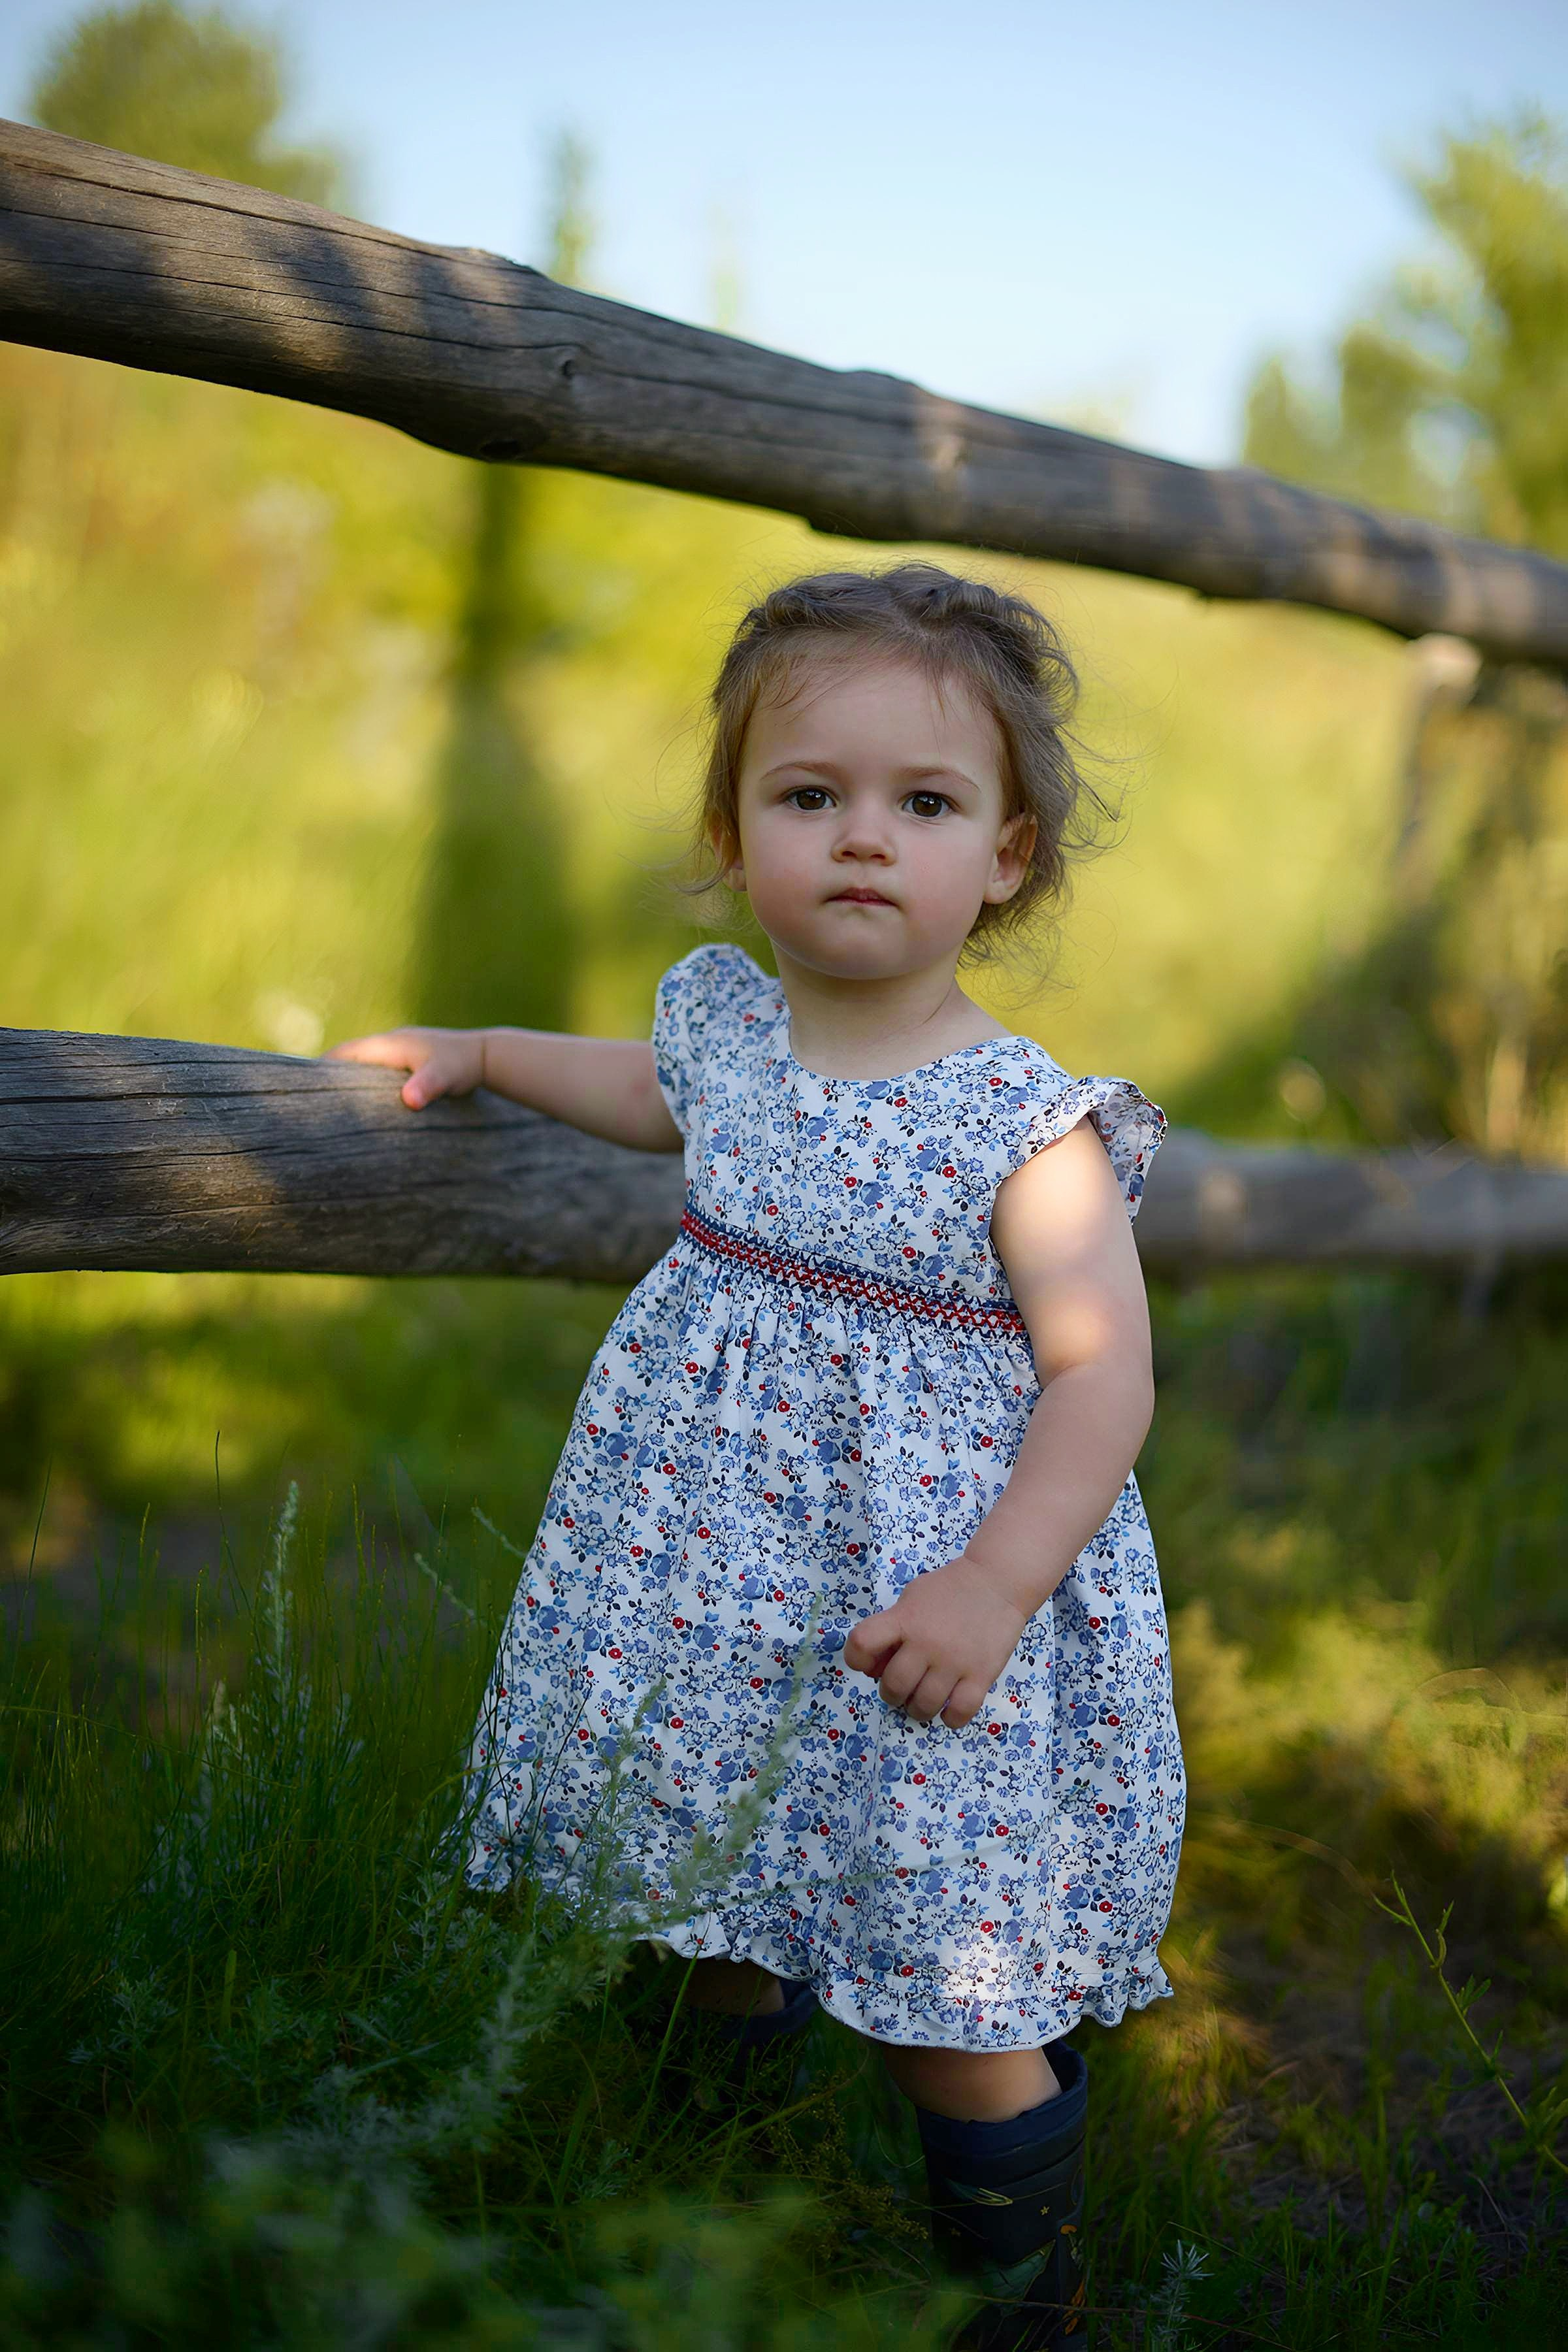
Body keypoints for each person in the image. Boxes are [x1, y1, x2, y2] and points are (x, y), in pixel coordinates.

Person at [329, 564, 1184, 2351]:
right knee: (708, 1862)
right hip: (708, 1567)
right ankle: (710, 2180)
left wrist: (993, 1584)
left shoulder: (1028, 1130)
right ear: (734, 836)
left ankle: (1022, 2291)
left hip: (925, 1595)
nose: (863, 837)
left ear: (1007, 856)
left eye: (925, 804)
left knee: (945, 1951)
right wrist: (479, 1050)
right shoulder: (729, 1028)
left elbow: (1104, 1379)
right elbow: (647, 1091)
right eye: (810, 795)